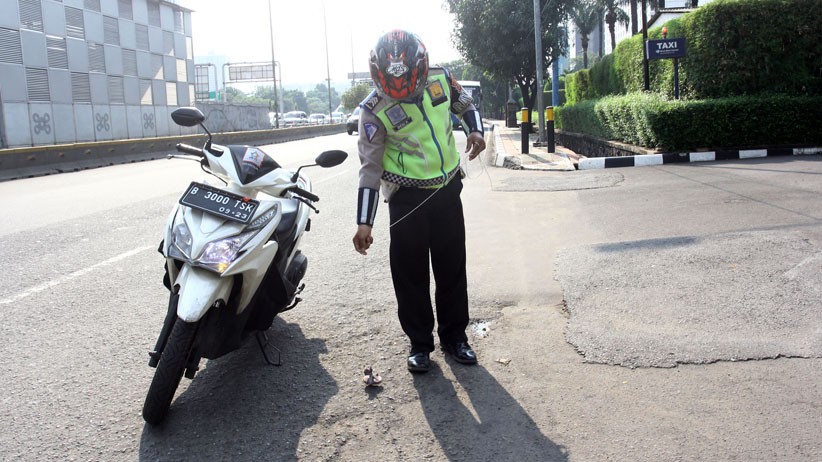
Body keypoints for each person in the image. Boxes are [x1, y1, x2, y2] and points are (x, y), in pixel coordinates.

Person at [352, 30, 486, 373]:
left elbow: (465, 104)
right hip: (405, 197)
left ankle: (456, 338)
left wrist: (475, 130)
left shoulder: (440, 78)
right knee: (410, 274)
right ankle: (419, 344)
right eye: (396, 90)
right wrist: (364, 222)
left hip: (446, 189)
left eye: (411, 86)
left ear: (422, 69)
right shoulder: (374, 110)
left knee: (451, 267)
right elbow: (369, 169)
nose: (405, 94)